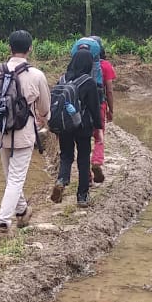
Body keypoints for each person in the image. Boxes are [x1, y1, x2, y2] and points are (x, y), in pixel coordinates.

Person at [0, 30, 51, 242]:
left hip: (1, 132)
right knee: (15, 178)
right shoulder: (36, 75)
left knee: (11, 177)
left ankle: (22, 212)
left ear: (9, 47)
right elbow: (45, 107)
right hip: (23, 133)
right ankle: (2, 222)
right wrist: (44, 120)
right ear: (30, 48)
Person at [50, 48, 103, 208]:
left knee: (66, 155)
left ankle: (62, 180)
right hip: (83, 125)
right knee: (83, 158)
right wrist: (98, 129)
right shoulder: (89, 82)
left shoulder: (63, 78)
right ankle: (82, 196)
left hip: (65, 124)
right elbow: (95, 108)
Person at [89, 36, 116, 183]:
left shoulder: (82, 63)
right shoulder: (105, 65)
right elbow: (110, 90)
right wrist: (111, 110)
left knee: (84, 141)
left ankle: (86, 176)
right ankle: (97, 162)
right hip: (100, 105)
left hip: (83, 107)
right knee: (99, 138)